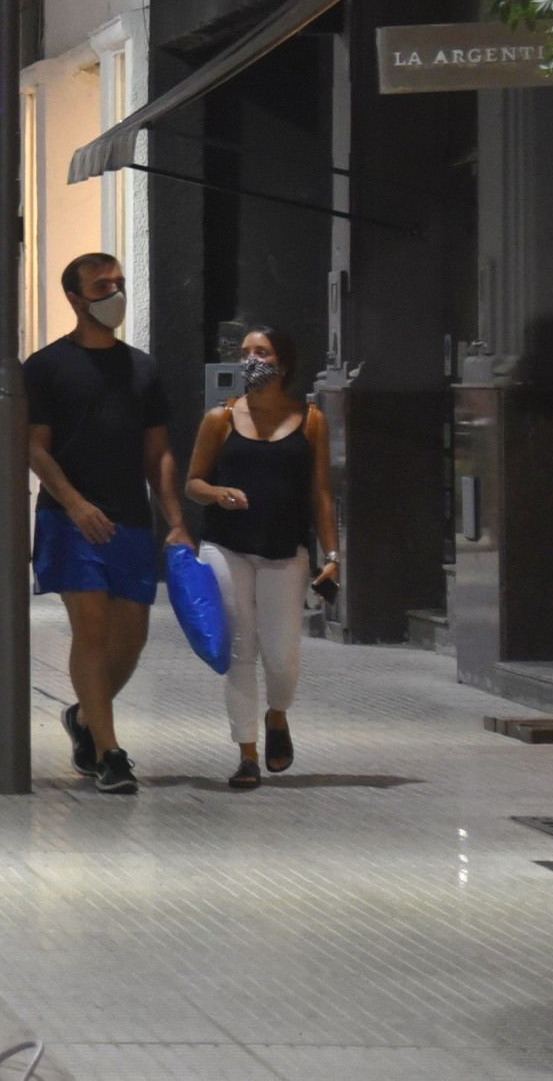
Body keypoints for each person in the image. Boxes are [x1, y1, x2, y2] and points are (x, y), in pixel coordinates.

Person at [26, 251, 185, 795]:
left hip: (130, 519)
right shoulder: (45, 368)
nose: (113, 293)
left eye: (118, 283)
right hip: (70, 519)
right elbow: (35, 448)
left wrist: (176, 522)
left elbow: (158, 454)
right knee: (90, 626)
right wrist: (74, 504)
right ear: (74, 297)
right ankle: (110, 751)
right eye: (101, 286)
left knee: (131, 638)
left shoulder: (143, 368)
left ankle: (85, 717)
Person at [182, 323, 339, 789]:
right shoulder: (221, 419)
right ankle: (246, 752)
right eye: (245, 351)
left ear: (283, 364)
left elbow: (321, 495)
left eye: (263, 352)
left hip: (283, 550)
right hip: (226, 546)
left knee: (283, 657)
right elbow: (193, 482)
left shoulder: (310, 420)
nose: (251, 359)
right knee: (240, 649)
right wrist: (219, 493)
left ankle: (276, 716)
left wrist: (331, 553)